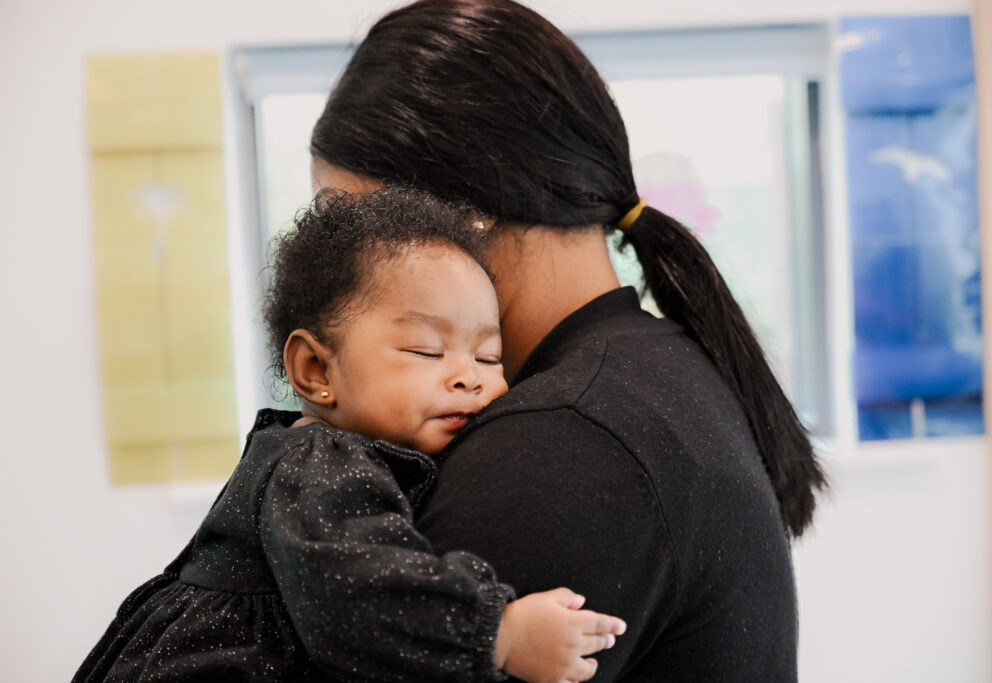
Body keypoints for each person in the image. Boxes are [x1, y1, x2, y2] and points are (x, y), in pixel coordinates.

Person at [309, 1, 829, 680]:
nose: (333, 273)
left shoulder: (563, 442)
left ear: (468, 207)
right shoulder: (651, 373)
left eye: (350, 229)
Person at [74, 188, 626, 683]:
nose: (469, 375)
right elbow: (357, 594)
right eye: (425, 351)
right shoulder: (319, 461)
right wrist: (498, 635)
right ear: (316, 370)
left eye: (489, 355)